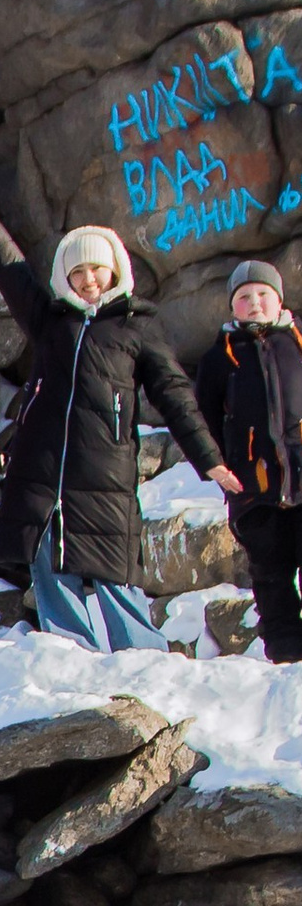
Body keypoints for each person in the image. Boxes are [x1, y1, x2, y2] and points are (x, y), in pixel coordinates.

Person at [0, 161, 238, 651]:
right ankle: (73, 655)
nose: (89, 279)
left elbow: (174, 395)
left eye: (97, 268)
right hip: (42, 467)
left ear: (115, 269)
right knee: (47, 564)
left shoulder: (137, 326)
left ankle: (144, 656)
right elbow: (13, 273)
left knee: (112, 570)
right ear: (65, 276)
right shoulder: (52, 322)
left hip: (104, 470)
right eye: (78, 270)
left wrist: (209, 459)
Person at [193, 258, 302, 662]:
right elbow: (202, 418)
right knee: (271, 577)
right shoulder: (220, 357)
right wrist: (218, 466)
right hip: (254, 491)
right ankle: (287, 656)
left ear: (279, 300)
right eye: (243, 297)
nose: (254, 303)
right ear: (231, 307)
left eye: (262, 294)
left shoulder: (298, 338)